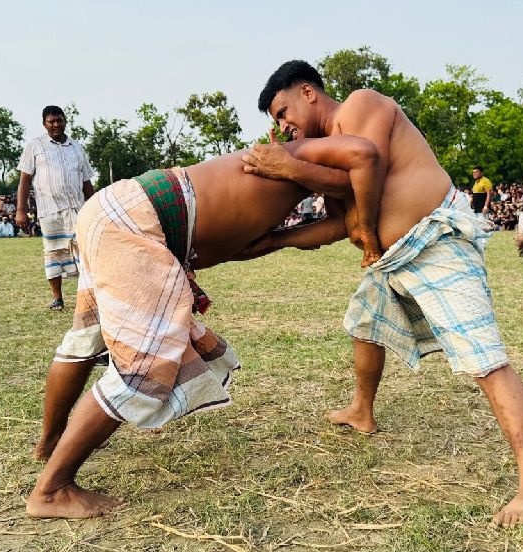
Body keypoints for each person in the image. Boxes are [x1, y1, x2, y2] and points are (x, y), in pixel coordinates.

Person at [246, 60, 523, 527]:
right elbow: (341, 223)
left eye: (283, 111)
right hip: (393, 258)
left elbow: (365, 166)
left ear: (308, 91)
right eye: (277, 121)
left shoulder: (360, 105)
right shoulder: (323, 155)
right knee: (364, 323)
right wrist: (274, 241)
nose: (283, 126)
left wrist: (293, 165)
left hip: (437, 241)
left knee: (484, 358)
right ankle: (362, 410)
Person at [27, 135, 380, 520]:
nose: (282, 125)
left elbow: (340, 222)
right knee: (144, 365)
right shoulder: (303, 152)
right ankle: (52, 489)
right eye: (280, 113)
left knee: (86, 337)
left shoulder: (300, 168)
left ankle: (49, 443)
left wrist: (279, 236)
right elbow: (363, 159)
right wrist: (298, 171)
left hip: (114, 211)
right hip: (136, 222)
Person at [15, 106, 96, 312]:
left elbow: (86, 181)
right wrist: (20, 210)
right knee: (53, 253)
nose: (56, 125)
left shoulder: (77, 148)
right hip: (49, 210)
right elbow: (24, 181)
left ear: (65, 121)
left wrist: (96, 206)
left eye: (59, 120)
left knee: (84, 252)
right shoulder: (35, 146)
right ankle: (57, 298)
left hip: (78, 209)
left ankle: (87, 298)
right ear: (44, 124)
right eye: (51, 121)